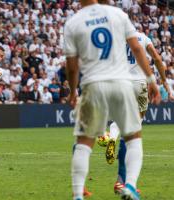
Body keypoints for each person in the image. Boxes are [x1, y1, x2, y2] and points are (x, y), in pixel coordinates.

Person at [64, 1, 161, 200]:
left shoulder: (73, 22)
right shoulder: (118, 14)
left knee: (83, 143)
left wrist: (73, 92)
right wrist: (152, 79)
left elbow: (72, 67)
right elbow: (136, 48)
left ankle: (77, 195)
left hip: (93, 85)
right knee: (133, 138)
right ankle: (130, 186)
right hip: (122, 83)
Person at [103, 27, 171, 193]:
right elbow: (156, 57)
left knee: (119, 121)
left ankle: (112, 136)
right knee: (134, 128)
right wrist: (163, 80)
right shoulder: (143, 38)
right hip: (139, 84)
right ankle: (126, 182)